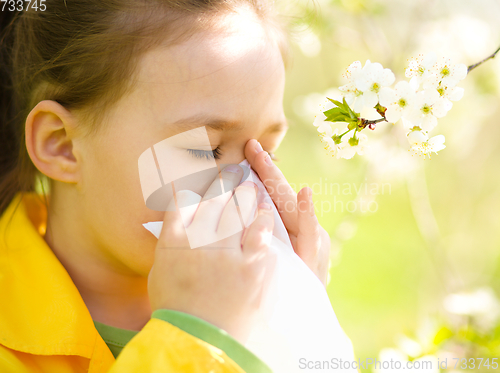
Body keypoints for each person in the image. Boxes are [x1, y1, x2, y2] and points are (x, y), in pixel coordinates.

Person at [0, 1, 331, 371]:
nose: (247, 188)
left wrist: (294, 320)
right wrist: (194, 336)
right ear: (62, 145)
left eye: (266, 152)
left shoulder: (261, 304)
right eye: (208, 149)